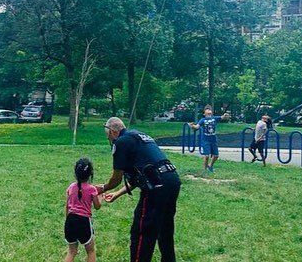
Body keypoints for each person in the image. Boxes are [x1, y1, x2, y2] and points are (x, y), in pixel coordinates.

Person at [98, 117, 181, 262]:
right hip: (171, 179)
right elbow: (140, 177)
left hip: (156, 185)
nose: (109, 140)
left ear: (112, 132)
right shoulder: (138, 136)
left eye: (108, 137)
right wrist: (117, 194)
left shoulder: (121, 142)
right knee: (165, 227)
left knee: (142, 230)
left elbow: (116, 178)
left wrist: (103, 188)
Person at [64, 157, 101, 262]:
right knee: (91, 251)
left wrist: (67, 220)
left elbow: (67, 206)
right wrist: (101, 196)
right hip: (83, 222)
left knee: (71, 252)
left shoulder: (71, 187)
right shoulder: (92, 189)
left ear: (75, 173)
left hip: (70, 221)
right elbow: (97, 206)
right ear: (90, 174)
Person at [188, 105, 230, 173]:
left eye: (209, 109)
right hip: (205, 140)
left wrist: (225, 115)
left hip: (213, 140)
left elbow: (222, 117)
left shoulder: (214, 118)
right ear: (204, 113)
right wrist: (192, 126)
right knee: (207, 156)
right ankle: (204, 170)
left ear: (211, 112)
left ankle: (210, 166)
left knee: (216, 156)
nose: (209, 110)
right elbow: (196, 127)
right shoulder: (202, 120)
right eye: (207, 109)